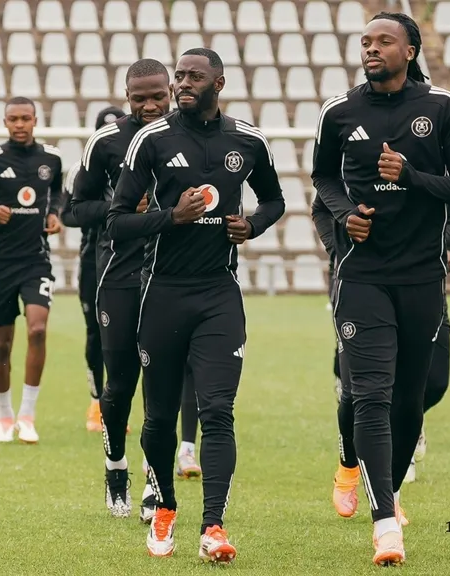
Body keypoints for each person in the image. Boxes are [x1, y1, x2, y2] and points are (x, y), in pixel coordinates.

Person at [311, 12, 450, 565]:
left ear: (410, 49)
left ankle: (390, 491)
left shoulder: (441, 107)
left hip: (423, 276)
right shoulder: (339, 112)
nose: (371, 48)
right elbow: (324, 180)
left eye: (384, 41)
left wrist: (410, 176)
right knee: (371, 394)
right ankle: (385, 522)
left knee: (410, 398)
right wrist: (343, 221)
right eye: (366, 42)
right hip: (361, 274)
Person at [109, 48, 285, 562]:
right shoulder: (152, 139)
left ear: (219, 83)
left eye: (194, 77)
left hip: (218, 294)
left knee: (218, 410)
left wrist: (252, 225)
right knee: (160, 417)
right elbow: (118, 220)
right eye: (180, 76)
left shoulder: (247, 140)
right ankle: (164, 508)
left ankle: (214, 526)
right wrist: (171, 217)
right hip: (161, 291)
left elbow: (274, 200)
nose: (183, 83)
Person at [72, 61, 203, 523]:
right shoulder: (105, 142)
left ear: (170, 91)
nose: (149, 106)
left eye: (157, 97)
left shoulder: (188, 135)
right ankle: (115, 467)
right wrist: (120, 206)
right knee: (121, 382)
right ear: (126, 95)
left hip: (169, 274)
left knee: (161, 384)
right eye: (139, 98)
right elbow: (75, 208)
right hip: (119, 275)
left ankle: (154, 480)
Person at [315, 196, 450, 518]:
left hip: (421, 286)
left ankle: (401, 439)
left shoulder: (432, 164)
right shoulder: (353, 160)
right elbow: (322, 207)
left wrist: (443, 246)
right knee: (358, 392)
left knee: (433, 383)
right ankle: (353, 472)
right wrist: (338, 247)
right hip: (360, 288)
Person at [0, 96, 64, 444]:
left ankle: (27, 415)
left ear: (36, 120)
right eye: (13, 119)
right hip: (1, 262)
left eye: (26, 118)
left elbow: (60, 197)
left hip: (37, 260)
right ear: (5, 123)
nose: (20, 125)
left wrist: (55, 215)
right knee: (2, 343)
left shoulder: (52, 159)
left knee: (37, 329)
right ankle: (5, 416)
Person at [65, 106, 120, 433]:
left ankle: (119, 400)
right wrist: (114, 211)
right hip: (92, 258)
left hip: (129, 256)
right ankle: (96, 400)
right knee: (94, 331)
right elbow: (69, 213)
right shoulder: (82, 168)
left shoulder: (137, 162)